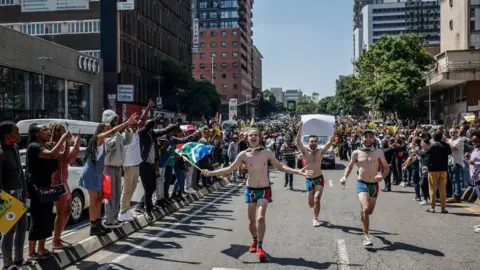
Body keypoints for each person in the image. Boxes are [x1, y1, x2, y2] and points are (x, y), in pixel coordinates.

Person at [201, 128, 313, 262]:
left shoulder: (267, 153)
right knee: (251, 221)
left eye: (255, 135)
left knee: (260, 218)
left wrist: (297, 171)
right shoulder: (243, 154)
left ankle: (260, 246)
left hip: (264, 189)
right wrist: (210, 173)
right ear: (247, 138)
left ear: (259, 138)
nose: (253, 137)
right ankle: (254, 239)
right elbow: (230, 168)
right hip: (250, 190)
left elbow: (280, 166)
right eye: (250, 135)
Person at [80, 113, 138, 236]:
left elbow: (124, 139)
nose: (111, 128)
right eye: (108, 127)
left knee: (99, 198)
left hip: (99, 172)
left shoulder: (106, 140)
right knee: (95, 199)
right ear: (102, 129)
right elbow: (113, 136)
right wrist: (126, 123)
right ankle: (95, 225)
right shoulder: (100, 137)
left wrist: (126, 127)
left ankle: (97, 223)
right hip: (94, 172)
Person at [26, 124, 71, 260]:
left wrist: (68, 143)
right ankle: (31, 252)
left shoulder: (48, 146)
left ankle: (42, 249)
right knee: (37, 219)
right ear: (36, 134)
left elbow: (64, 157)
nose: (48, 132)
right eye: (44, 130)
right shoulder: (34, 147)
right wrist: (63, 138)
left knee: (46, 219)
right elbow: (51, 155)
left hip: (47, 187)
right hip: (36, 189)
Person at [340, 129, 390, 247]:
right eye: (365, 137)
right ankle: (367, 237)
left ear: (374, 139)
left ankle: (364, 215)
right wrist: (344, 177)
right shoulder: (356, 152)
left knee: (369, 211)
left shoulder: (379, 152)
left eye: (370, 137)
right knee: (365, 208)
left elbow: (386, 168)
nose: (368, 139)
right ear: (361, 138)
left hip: (374, 185)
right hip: (361, 183)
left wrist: (381, 176)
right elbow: (350, 166)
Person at [0, 121, 37, 268]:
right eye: (15, 133)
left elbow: (20, 172)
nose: (18, 135)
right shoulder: (1, 152)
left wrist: (25, 190)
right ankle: (7, 264)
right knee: (9, 230)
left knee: (23, 226)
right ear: (7, 135)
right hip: (7, 197)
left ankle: (19, 259)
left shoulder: (15, 148)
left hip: (20, 193)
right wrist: (4, 200)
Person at [296, 122, 334, 227]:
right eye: (311, 141)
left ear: (317, 143)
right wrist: (300, 128)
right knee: (311, 204)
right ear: (308, 142)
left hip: (319, 179)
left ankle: (315, 218)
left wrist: (332, 132)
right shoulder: (304, 151)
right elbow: (298, 142)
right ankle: (314, 213)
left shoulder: (320, 151)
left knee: (317, 199)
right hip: (309, 179)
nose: (313, 143)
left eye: (315, 141)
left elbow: (329, 143)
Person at [50, 123, 81, 250]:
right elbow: (66, 158)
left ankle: (58, 236)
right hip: (58, 182)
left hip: (64, 181)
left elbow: (70, 159)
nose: (66, 133)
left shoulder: (61, 145)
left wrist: (76, 144)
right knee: (61, 212)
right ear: (57, 132)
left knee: (68, 210)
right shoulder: (53, 145)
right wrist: (69, 143)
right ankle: (55, 240)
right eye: (63, 131)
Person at [102, 110, 133, 228]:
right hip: (107, 168)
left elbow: (127, 141)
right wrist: (117, 133)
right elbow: (110, 145)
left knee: (117, 193)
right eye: (114, 120)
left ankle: (114, 218)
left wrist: (128, 129)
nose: (116, 122)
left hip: (117, 168)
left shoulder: (117, 134)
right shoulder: (105, 134)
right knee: (109, 195)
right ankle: (109, 220)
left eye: (116, 120)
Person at [424, 131, 452, 213]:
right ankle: (443, 208)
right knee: (442, 190)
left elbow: (426, 153)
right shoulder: (446, 145)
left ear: (434, 138)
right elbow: (450, 152)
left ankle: (432, 207)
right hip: (443, 169)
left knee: (432, 189)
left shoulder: (432, 145)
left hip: (433, 170)